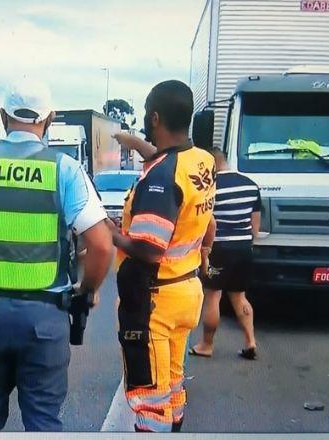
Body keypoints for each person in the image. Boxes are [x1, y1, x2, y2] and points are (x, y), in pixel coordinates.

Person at [0, 81, 112, 432]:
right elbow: (102, 245)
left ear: (3, 117)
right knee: (43, 421)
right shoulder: (64, 169)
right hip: (43, 318)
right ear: (50, 118)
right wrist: (85, 291)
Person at [108, 80, 216, 433]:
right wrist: (135, 144)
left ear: (154, 117)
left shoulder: (162, 176)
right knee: (172, 387)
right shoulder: (200, 159)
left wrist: (112, 233)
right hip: (186, 291)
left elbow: (149, 249)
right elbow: (167, 160)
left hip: (156, 302)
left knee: (150, 400)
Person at [190, 148, 260, 360]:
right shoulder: (251, 185)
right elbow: (255, 225)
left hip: (218, 249)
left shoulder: (210, 188)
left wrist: (202, 251)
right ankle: (250, 341)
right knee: (240, 296)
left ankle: (206, 344)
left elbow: (206, 223)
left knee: (213, 296)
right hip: (243, 248)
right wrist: (246, 243)